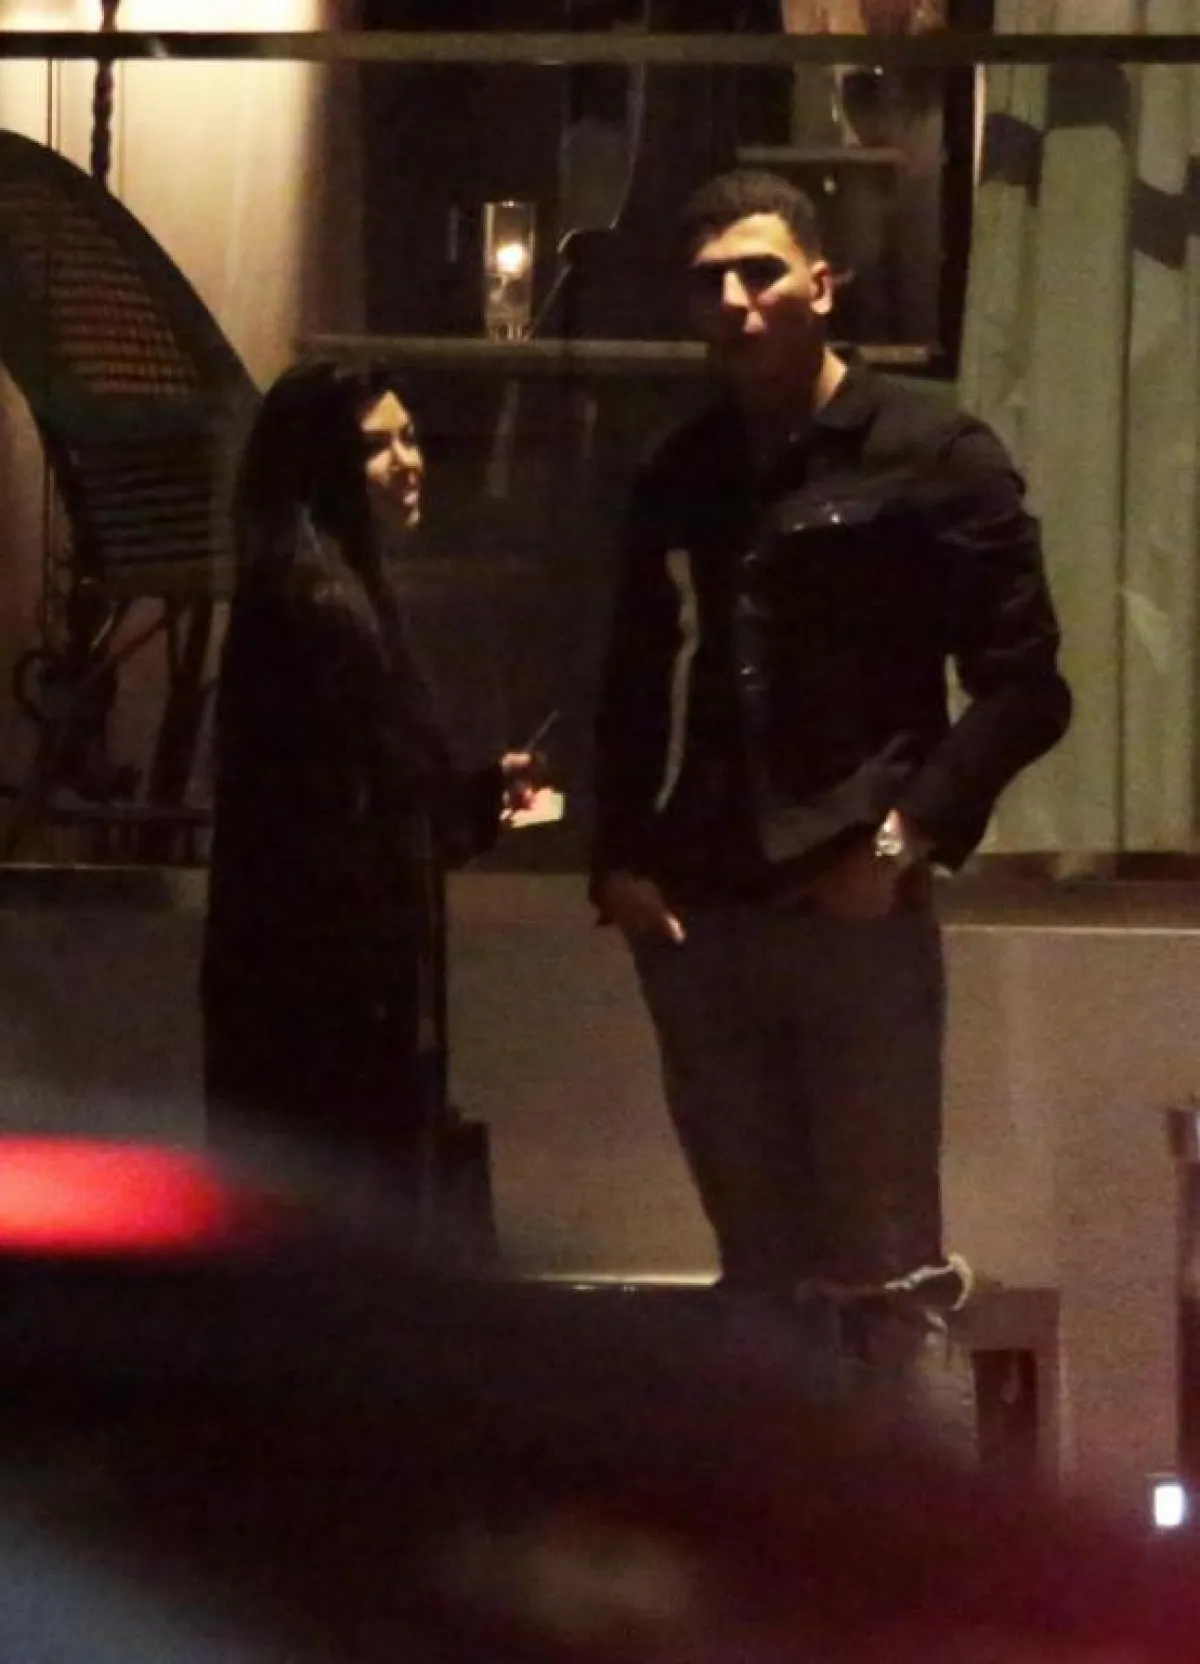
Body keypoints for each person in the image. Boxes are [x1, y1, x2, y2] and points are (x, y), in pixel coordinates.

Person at [590, 170, 1072, 1359]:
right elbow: (636, 674)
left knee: (884, 1273)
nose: (736, 302)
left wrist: (903, 839)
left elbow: (1026, 685)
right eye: (709, 282)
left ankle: (902, 1486)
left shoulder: (931, 448)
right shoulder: (681, 468)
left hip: (851, 902)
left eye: (760, 272)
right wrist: (619, 860)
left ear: (822, 282)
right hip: (702, 910)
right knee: (757, 1279)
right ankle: (778, 1482)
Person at [202, 359, 534, 1212]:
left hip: (314, 980)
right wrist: (461, 802)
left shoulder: (319, 592)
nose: (408, 462)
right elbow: (352, 804)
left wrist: (469, 797)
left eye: (411, 438)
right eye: (376, 447)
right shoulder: (321, 608)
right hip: (335, 990)